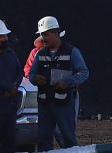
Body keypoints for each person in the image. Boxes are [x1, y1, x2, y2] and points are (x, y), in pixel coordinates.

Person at [29, 16, 89, 151]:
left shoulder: (72, 52)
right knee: (44, 139)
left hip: (64, 104)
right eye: (41, 35)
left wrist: (67, 82)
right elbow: (31, 74)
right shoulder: (40, 54)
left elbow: (84, 73)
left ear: (56, 33)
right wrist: (35, 78)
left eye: (46, 34)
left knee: (67, 138)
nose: (43, 38)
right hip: (45, 104)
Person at [0, 18, 23, 153]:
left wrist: (14, 86)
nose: (5, 38)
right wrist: (7, 87)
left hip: (10, 106)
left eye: (6, 35)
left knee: (9, 141)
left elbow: (20, 71)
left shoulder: (10, 53)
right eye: (1, 36)